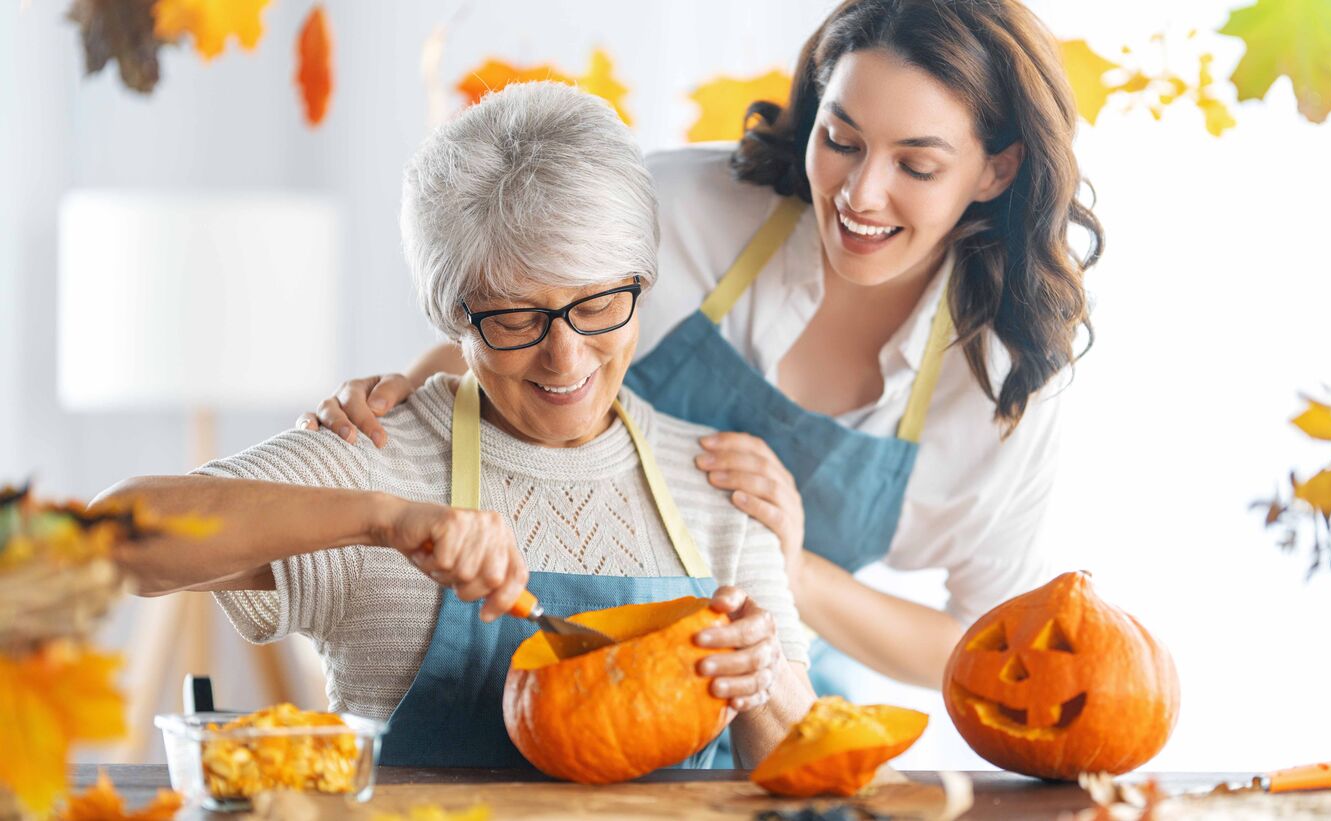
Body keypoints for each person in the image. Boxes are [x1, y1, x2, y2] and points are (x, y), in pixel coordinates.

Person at [302, 0, 1103, 697]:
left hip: (761, 677)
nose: (859, 194)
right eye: (842, 139)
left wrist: (789, 569)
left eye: (916, 165)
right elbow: (518, 322)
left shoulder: (1000, 379)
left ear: (997, 170)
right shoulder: (685, 209)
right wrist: (389, 410)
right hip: (513, 630)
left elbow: (979, 646)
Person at [95, 81, 814, 770]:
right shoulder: (377, 455)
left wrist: (763, 673)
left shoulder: (722, 481)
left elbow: (798, 756)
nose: (565, 355)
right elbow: (110, 539)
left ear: (641, 284)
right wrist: (382, 520)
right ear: (452, 318)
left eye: (596, 304)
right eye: (515, 316)